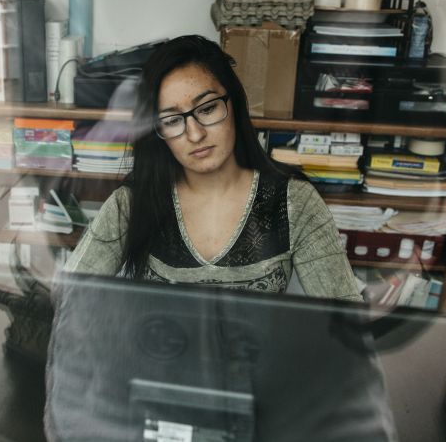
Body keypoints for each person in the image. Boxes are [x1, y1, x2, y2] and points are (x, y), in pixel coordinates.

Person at [63, 35, 362, 301]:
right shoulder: (132, 201)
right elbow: (69, 298)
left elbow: (346, 321)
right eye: (172, 120)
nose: (195, 134)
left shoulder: (293, 200)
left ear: (234, 104)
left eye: (207, 109)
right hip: (160, 362)